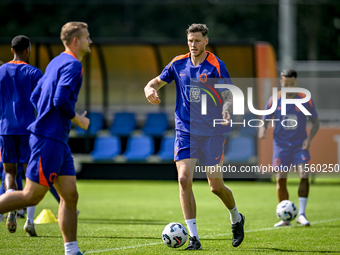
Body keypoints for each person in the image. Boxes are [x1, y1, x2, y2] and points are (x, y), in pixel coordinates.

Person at [144, 23, 245, 250]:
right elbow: (155, 82)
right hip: (185, 130)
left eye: (197, 40)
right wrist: (149, 89)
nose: (193, 45)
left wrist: (227, 109)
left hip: (212, 132)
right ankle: (194, 237)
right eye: (190, 41)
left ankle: (236, 218)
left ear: (206, 41)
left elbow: (228, 93)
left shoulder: (216, 65)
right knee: (183, 178)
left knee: (215, 186)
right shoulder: (177, 63)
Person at [0, 22, 91, 255]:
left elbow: (36, 96)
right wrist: (79, 120)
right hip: (48, 139)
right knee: (32, 196)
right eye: (87, 37)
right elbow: (60, 100)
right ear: (76, 41)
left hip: (56, 139)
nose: (90, 41)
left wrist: (44, 119)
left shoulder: (55, 61)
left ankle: (72, 250)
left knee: (70, 195)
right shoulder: (73, 65)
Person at [258, 69, 319, 227]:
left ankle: (302, 215)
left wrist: (309, 139)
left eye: (291, 84)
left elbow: (316, 122)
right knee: (280, 181)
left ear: (296, 83)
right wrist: (262, 129)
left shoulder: (305, 99)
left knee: (304, 176)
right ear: (281, 82)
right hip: (281, 145)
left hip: (300, 144)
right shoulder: (274, 99)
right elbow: (264, 119)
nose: (289, 87)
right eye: (286, 84)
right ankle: (285, 218)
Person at [0, 35, 43, 236]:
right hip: (28, 129)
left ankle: (10, 211)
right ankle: (29, 222)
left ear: (11, 50)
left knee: (9, 173)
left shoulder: (0, 72)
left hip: (5, 129)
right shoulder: (34, 72)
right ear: (28, 50)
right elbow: (42, 101)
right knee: (30, 175)